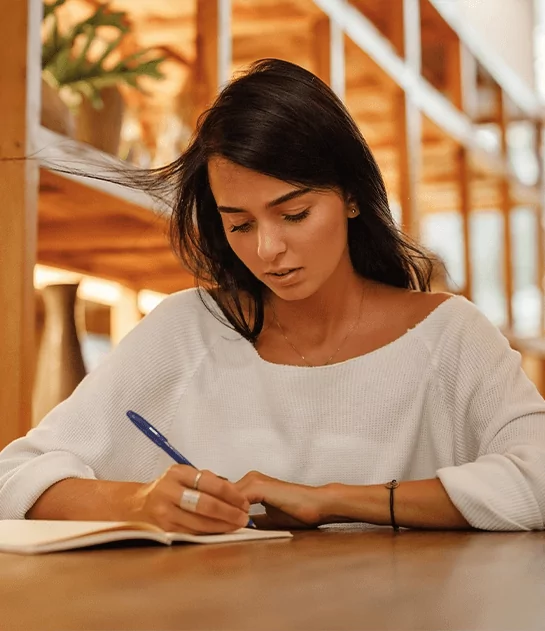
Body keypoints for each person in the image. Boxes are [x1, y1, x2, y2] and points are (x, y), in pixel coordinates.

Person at [1, 59, 544, 533]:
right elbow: (12, 478)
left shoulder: (449, 336)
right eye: (239, 224)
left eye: (294, 214)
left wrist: (329, 500)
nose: (268, 251)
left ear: (352, 196)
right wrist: (137, 501)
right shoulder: (187, 330)